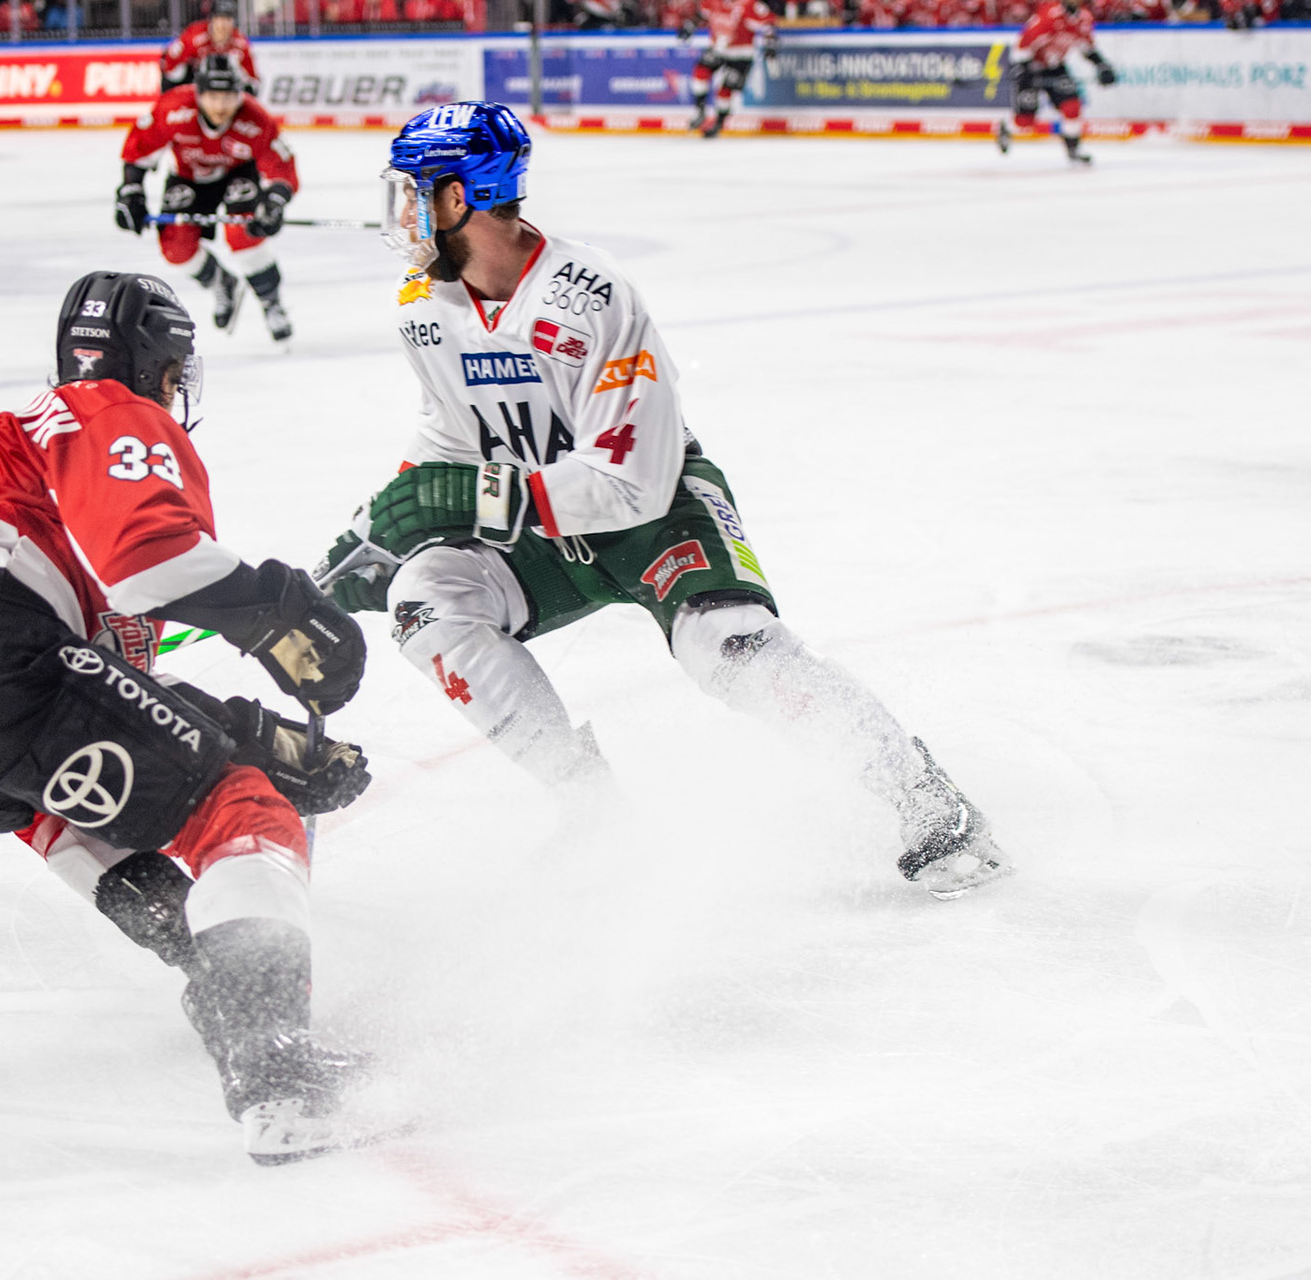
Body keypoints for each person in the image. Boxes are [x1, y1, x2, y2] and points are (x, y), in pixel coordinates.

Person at [319, 103, 1014, 902]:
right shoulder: (423, 305)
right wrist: (379, 527)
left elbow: (631, 484)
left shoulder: (589, 296)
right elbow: (449, 432)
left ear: (455, 199)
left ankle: (932, 804)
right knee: (425, 599)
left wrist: (467, 497)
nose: (401, 210)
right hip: (539, 523)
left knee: (729, 648)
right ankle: (595, 814)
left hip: (656, 515)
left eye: (414, 191)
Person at [0, 271, 374, 1163]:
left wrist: (237, 743)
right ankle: (280, 1082)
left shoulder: (9, 460)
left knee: (62, 799)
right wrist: (284, 615)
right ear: (156, 364)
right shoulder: (108, 409)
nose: (178, 395)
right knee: (241, 808)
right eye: (176, 374)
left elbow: (87, 709)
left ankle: (233, 997)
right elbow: (151, 561)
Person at [116, 55, 299, 343]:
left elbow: (282, 169)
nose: (221, 106)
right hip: (187, 178)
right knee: (176, 248)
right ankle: (220, 280)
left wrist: (274, 203)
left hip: (238, 174)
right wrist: (131, 191)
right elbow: (140, 148)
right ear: (198, 93)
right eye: (213, 96)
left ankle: (270, 300)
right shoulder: (174, 108)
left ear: (241, 94)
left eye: (229, 96)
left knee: (244, 234)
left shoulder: (255, 119)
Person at [997, 0, 1116, 164]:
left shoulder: (1084, 18)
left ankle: (1073, 150)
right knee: (1025, 121)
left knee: (1072, 107)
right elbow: (1024, 42)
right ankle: (1006, 127)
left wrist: (1101, 65)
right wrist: (1022, 68)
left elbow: (1086, 47)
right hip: (1031, 67)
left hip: (1056, 68)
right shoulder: (1050, 15)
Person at [681, 0, 776, 137]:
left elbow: (768, 24)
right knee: (701, 71)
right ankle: (700, 110)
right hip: (719, 49)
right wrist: (690, 26)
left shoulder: (749, 4)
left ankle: (719, 122)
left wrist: (770, 43)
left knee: (725, 91)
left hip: (741, 54)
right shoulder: (712, 1)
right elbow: (702, 14)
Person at [160, 0, 258, 94]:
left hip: (226, 95)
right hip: (194, 87)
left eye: (227, 19)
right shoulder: (194, 36)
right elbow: (169, 63)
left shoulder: (240, 43)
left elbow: (252, 79)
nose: (222, 24)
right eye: (218, 18)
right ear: (211, 20)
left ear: (233, 21)